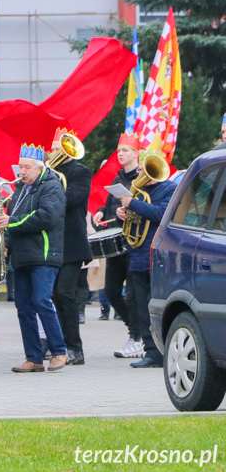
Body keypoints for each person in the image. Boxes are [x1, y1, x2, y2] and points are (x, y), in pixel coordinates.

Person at [0, 144, 68, 373]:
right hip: (22, 255)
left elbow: (47, 216)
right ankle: (34, 357)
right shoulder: (19, 189)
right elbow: (13, 220)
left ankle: (59, 351)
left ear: (39, 168)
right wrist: (6, 245)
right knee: (23, 306)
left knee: (41, 301)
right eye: (20, 167)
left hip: (44, 254)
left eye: (26, 167)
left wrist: (11, 222)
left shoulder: (52, 187)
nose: (21, 172)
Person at [115, 151, 177, 368]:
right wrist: (121, 213)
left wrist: (132, 204)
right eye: (140, 169)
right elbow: (129, 218)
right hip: (138, 254)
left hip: (158, 255)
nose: (140, 173)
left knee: (156, 305)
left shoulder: (168, 188)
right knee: (141, 307)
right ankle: (151, 352)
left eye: (144, 169)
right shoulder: (139, 192)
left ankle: (163, 351)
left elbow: (161, 213)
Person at [93, 133, 142, 358]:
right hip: (116, 242)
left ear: (136, 153)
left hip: (134, 242)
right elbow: (108, 203)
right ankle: (137, 331)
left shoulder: (142, 177)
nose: (120, 154)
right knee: (112, 292)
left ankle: (137, 337)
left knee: (133, 295)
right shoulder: (118, 177)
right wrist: (101, 212)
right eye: (119, 150)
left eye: (125, 151)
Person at [50, 128, 92, 366]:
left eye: (59, 149)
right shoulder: (48, 173)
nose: (55, 152)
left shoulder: (80, 172)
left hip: (73, 243)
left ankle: (76, 348)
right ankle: (60, 345)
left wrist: (49, 182)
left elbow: (70, 199)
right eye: (54, 149)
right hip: (52, 242)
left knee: (66, 293)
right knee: (54, 295)